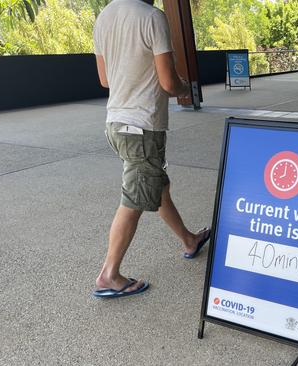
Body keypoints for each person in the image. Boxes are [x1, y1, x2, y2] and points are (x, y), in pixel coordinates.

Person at [92, 0, 211, 298]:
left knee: (157, 186)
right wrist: (188, 87)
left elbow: (105, 79)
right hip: (141, 127)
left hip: (116, 124)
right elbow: (169, 82)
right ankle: (109, 274)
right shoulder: (152, 17)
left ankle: (188, 240)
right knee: (134, 199)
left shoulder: (104, 17)